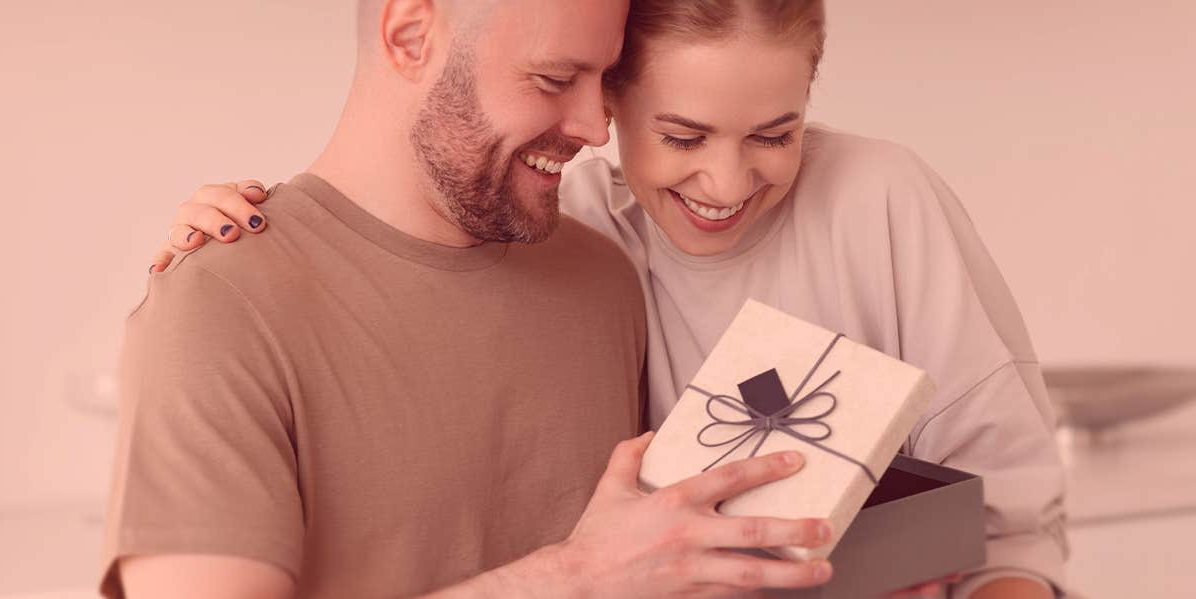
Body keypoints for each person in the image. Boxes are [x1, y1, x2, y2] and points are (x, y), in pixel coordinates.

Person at [154, 1, 1071, 598]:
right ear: (612, 104)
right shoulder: (567, 234)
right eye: (681, 134)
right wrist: (246, 243)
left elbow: (1019, 526)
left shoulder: (882, 200)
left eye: (774, 133)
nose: (726, 179)